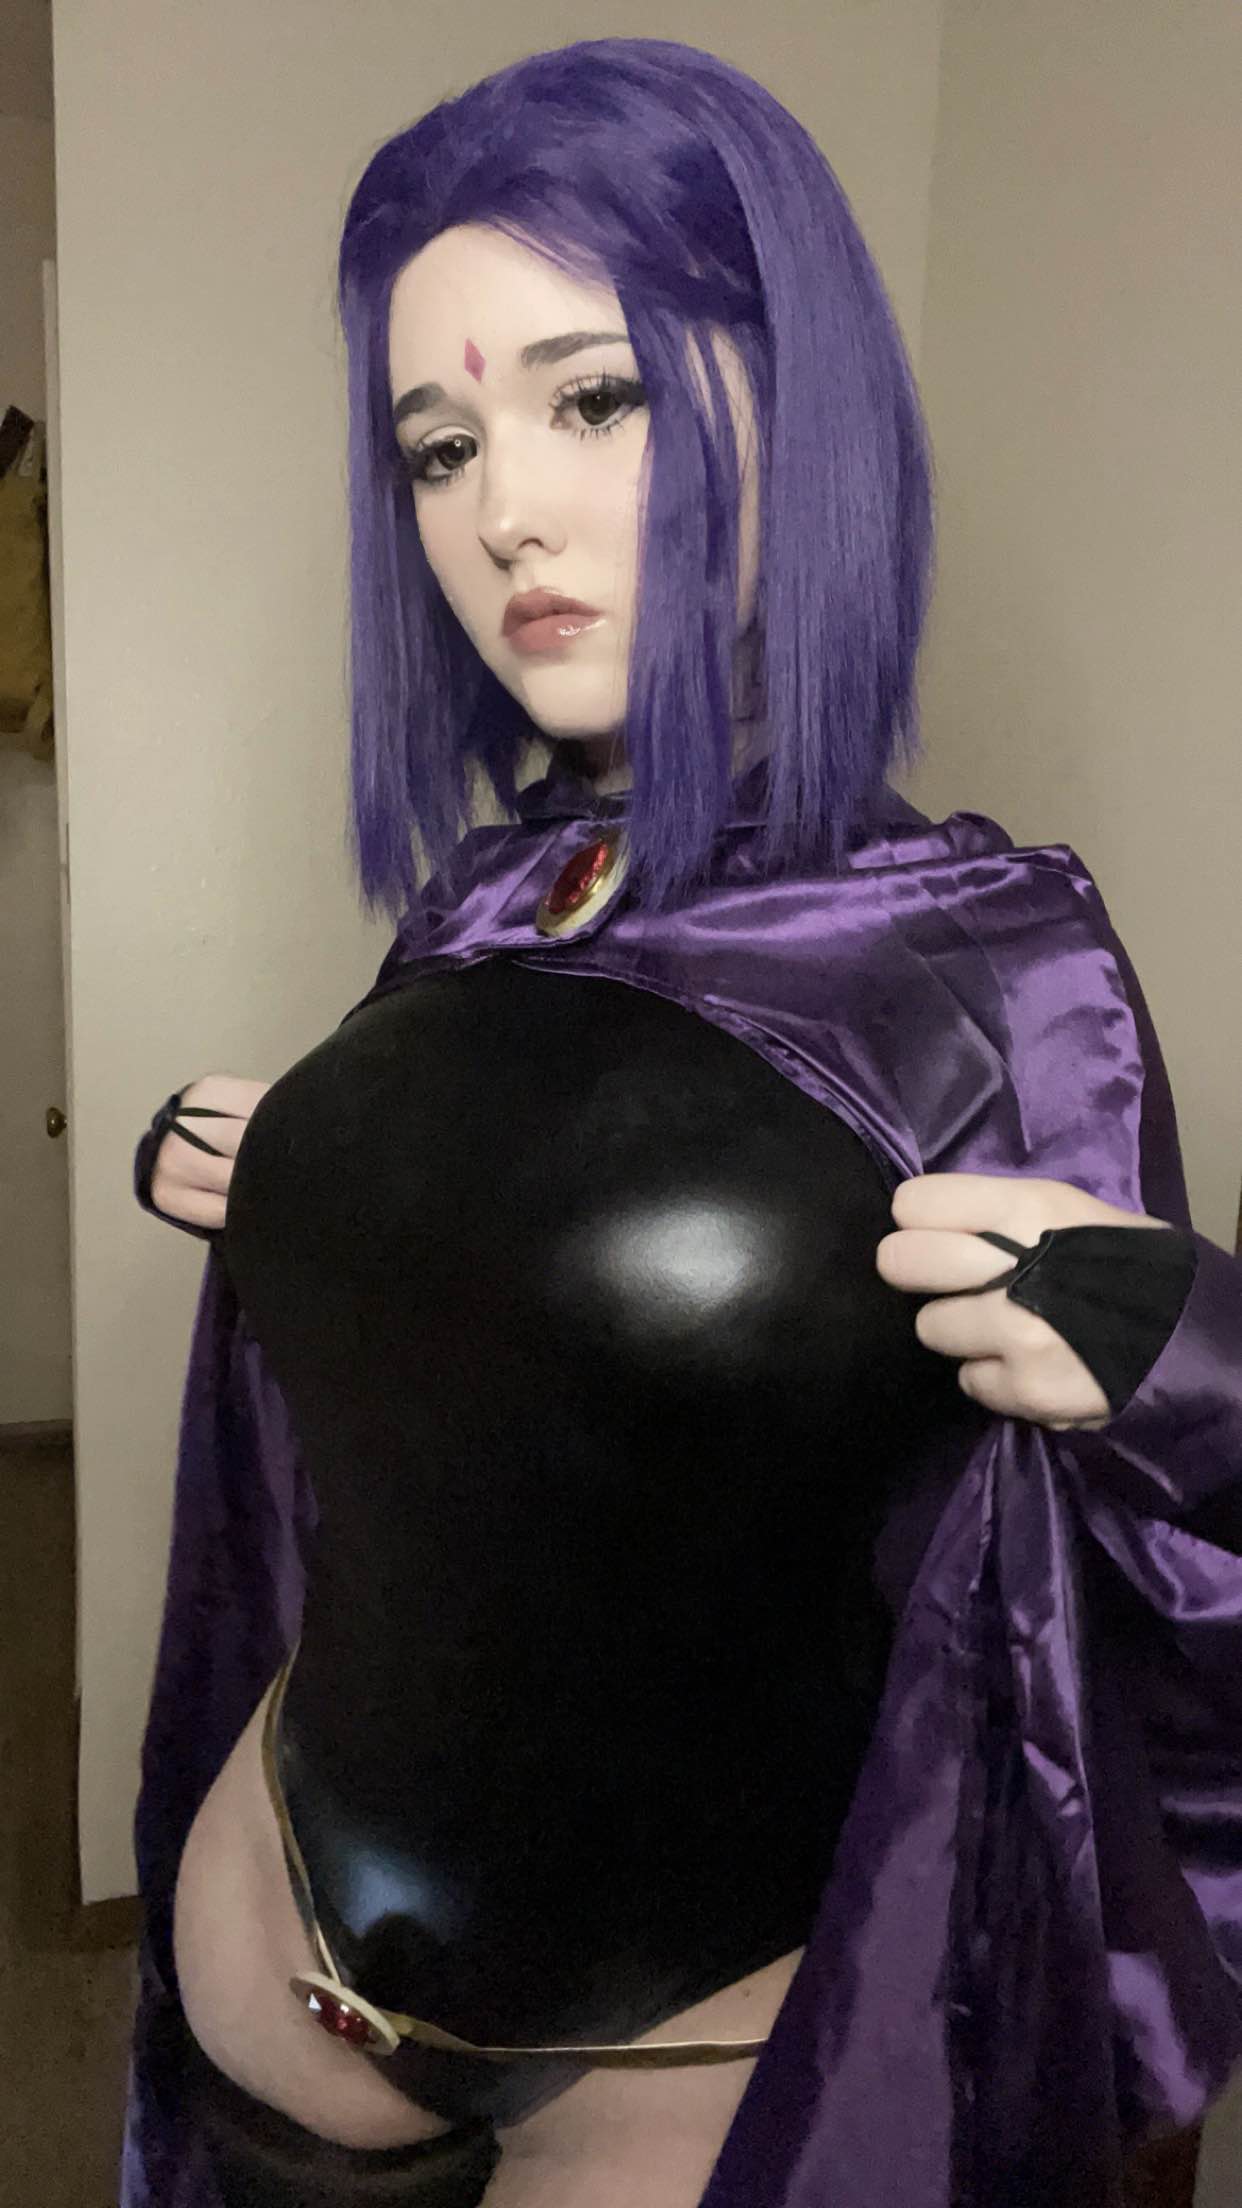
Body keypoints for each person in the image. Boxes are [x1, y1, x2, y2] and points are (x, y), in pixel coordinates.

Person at [122, 37, 1242, 2208]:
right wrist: (315, 1173)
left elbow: (1134, 1589)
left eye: (597, 399)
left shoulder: (990, 962)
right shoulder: (481, 904)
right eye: (440, 446)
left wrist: (1182, 1349)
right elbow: (512, 1353)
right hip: (278, 1929)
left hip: (687, 2041)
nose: (500, 515)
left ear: (795, 404)